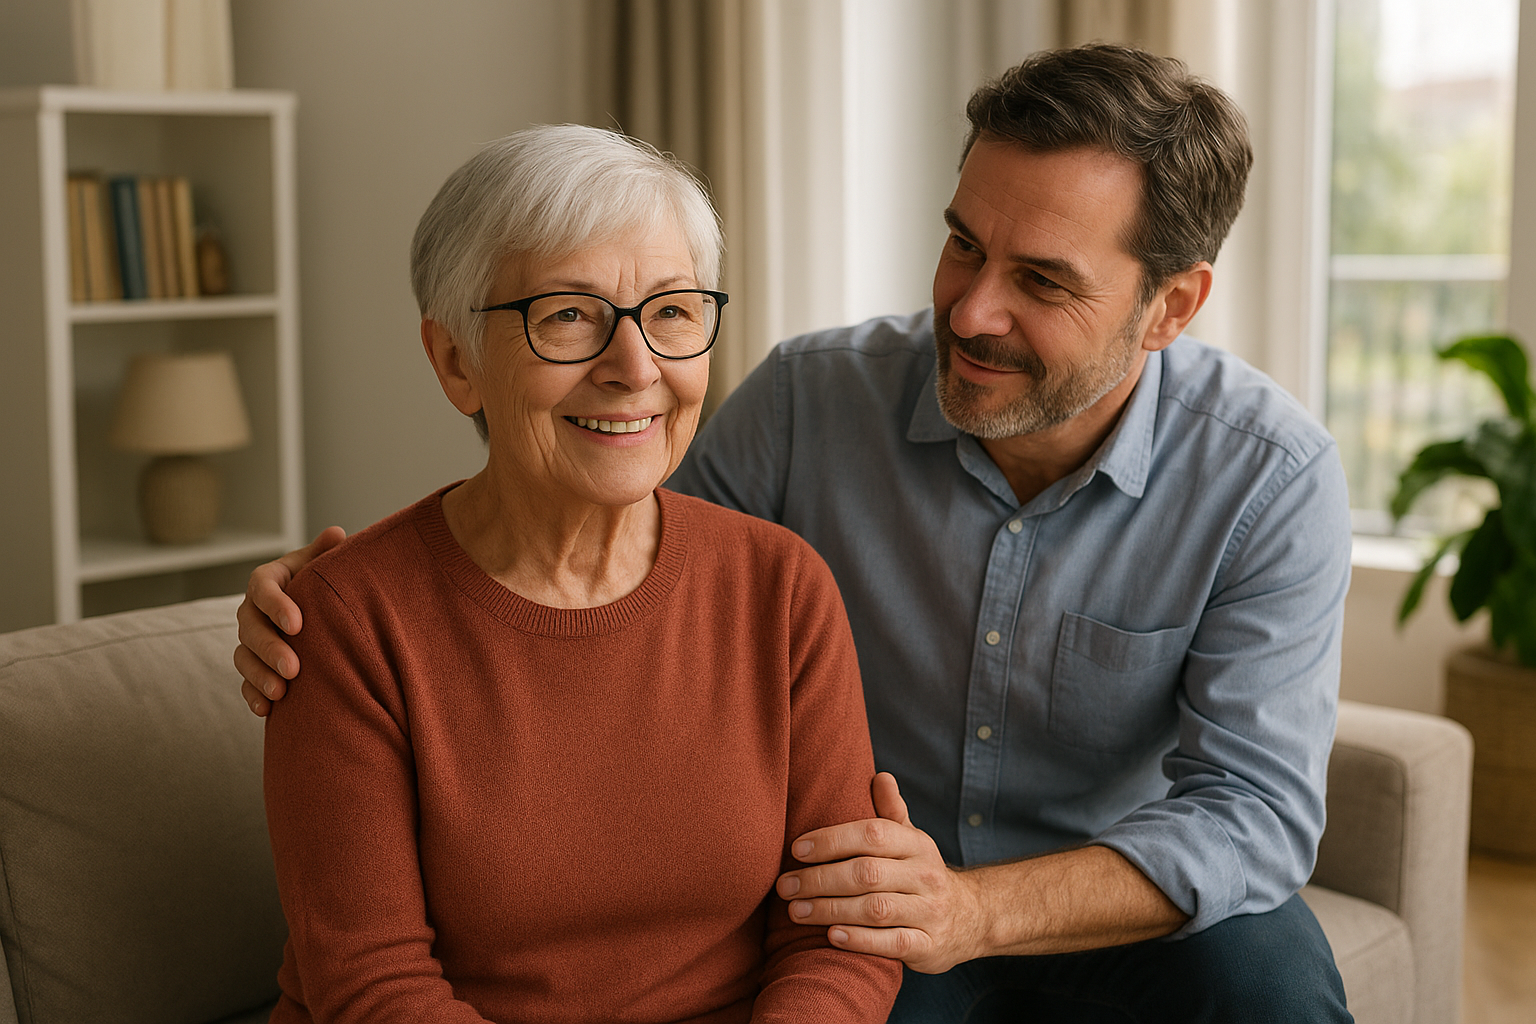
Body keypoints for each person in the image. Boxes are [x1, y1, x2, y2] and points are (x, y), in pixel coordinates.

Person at [239, 45, 1355, 1023]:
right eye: (965, 245)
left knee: (1275, 983)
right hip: (864, 903)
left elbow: (1252, 812)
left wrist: (970, 909)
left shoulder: (1268, 477)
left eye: (1042, 281)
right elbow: (617, 535)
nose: (968, 310)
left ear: (1170, 307)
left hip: (1092, 897)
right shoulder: (807, 402)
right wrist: (345, 597)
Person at [256, 124, 902, 1024]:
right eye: (567, 315)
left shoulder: (780, 587)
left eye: (673, 311)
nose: (635, 368)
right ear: (455, 363)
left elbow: (832, 934)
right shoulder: (348, 624)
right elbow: (374, 986)